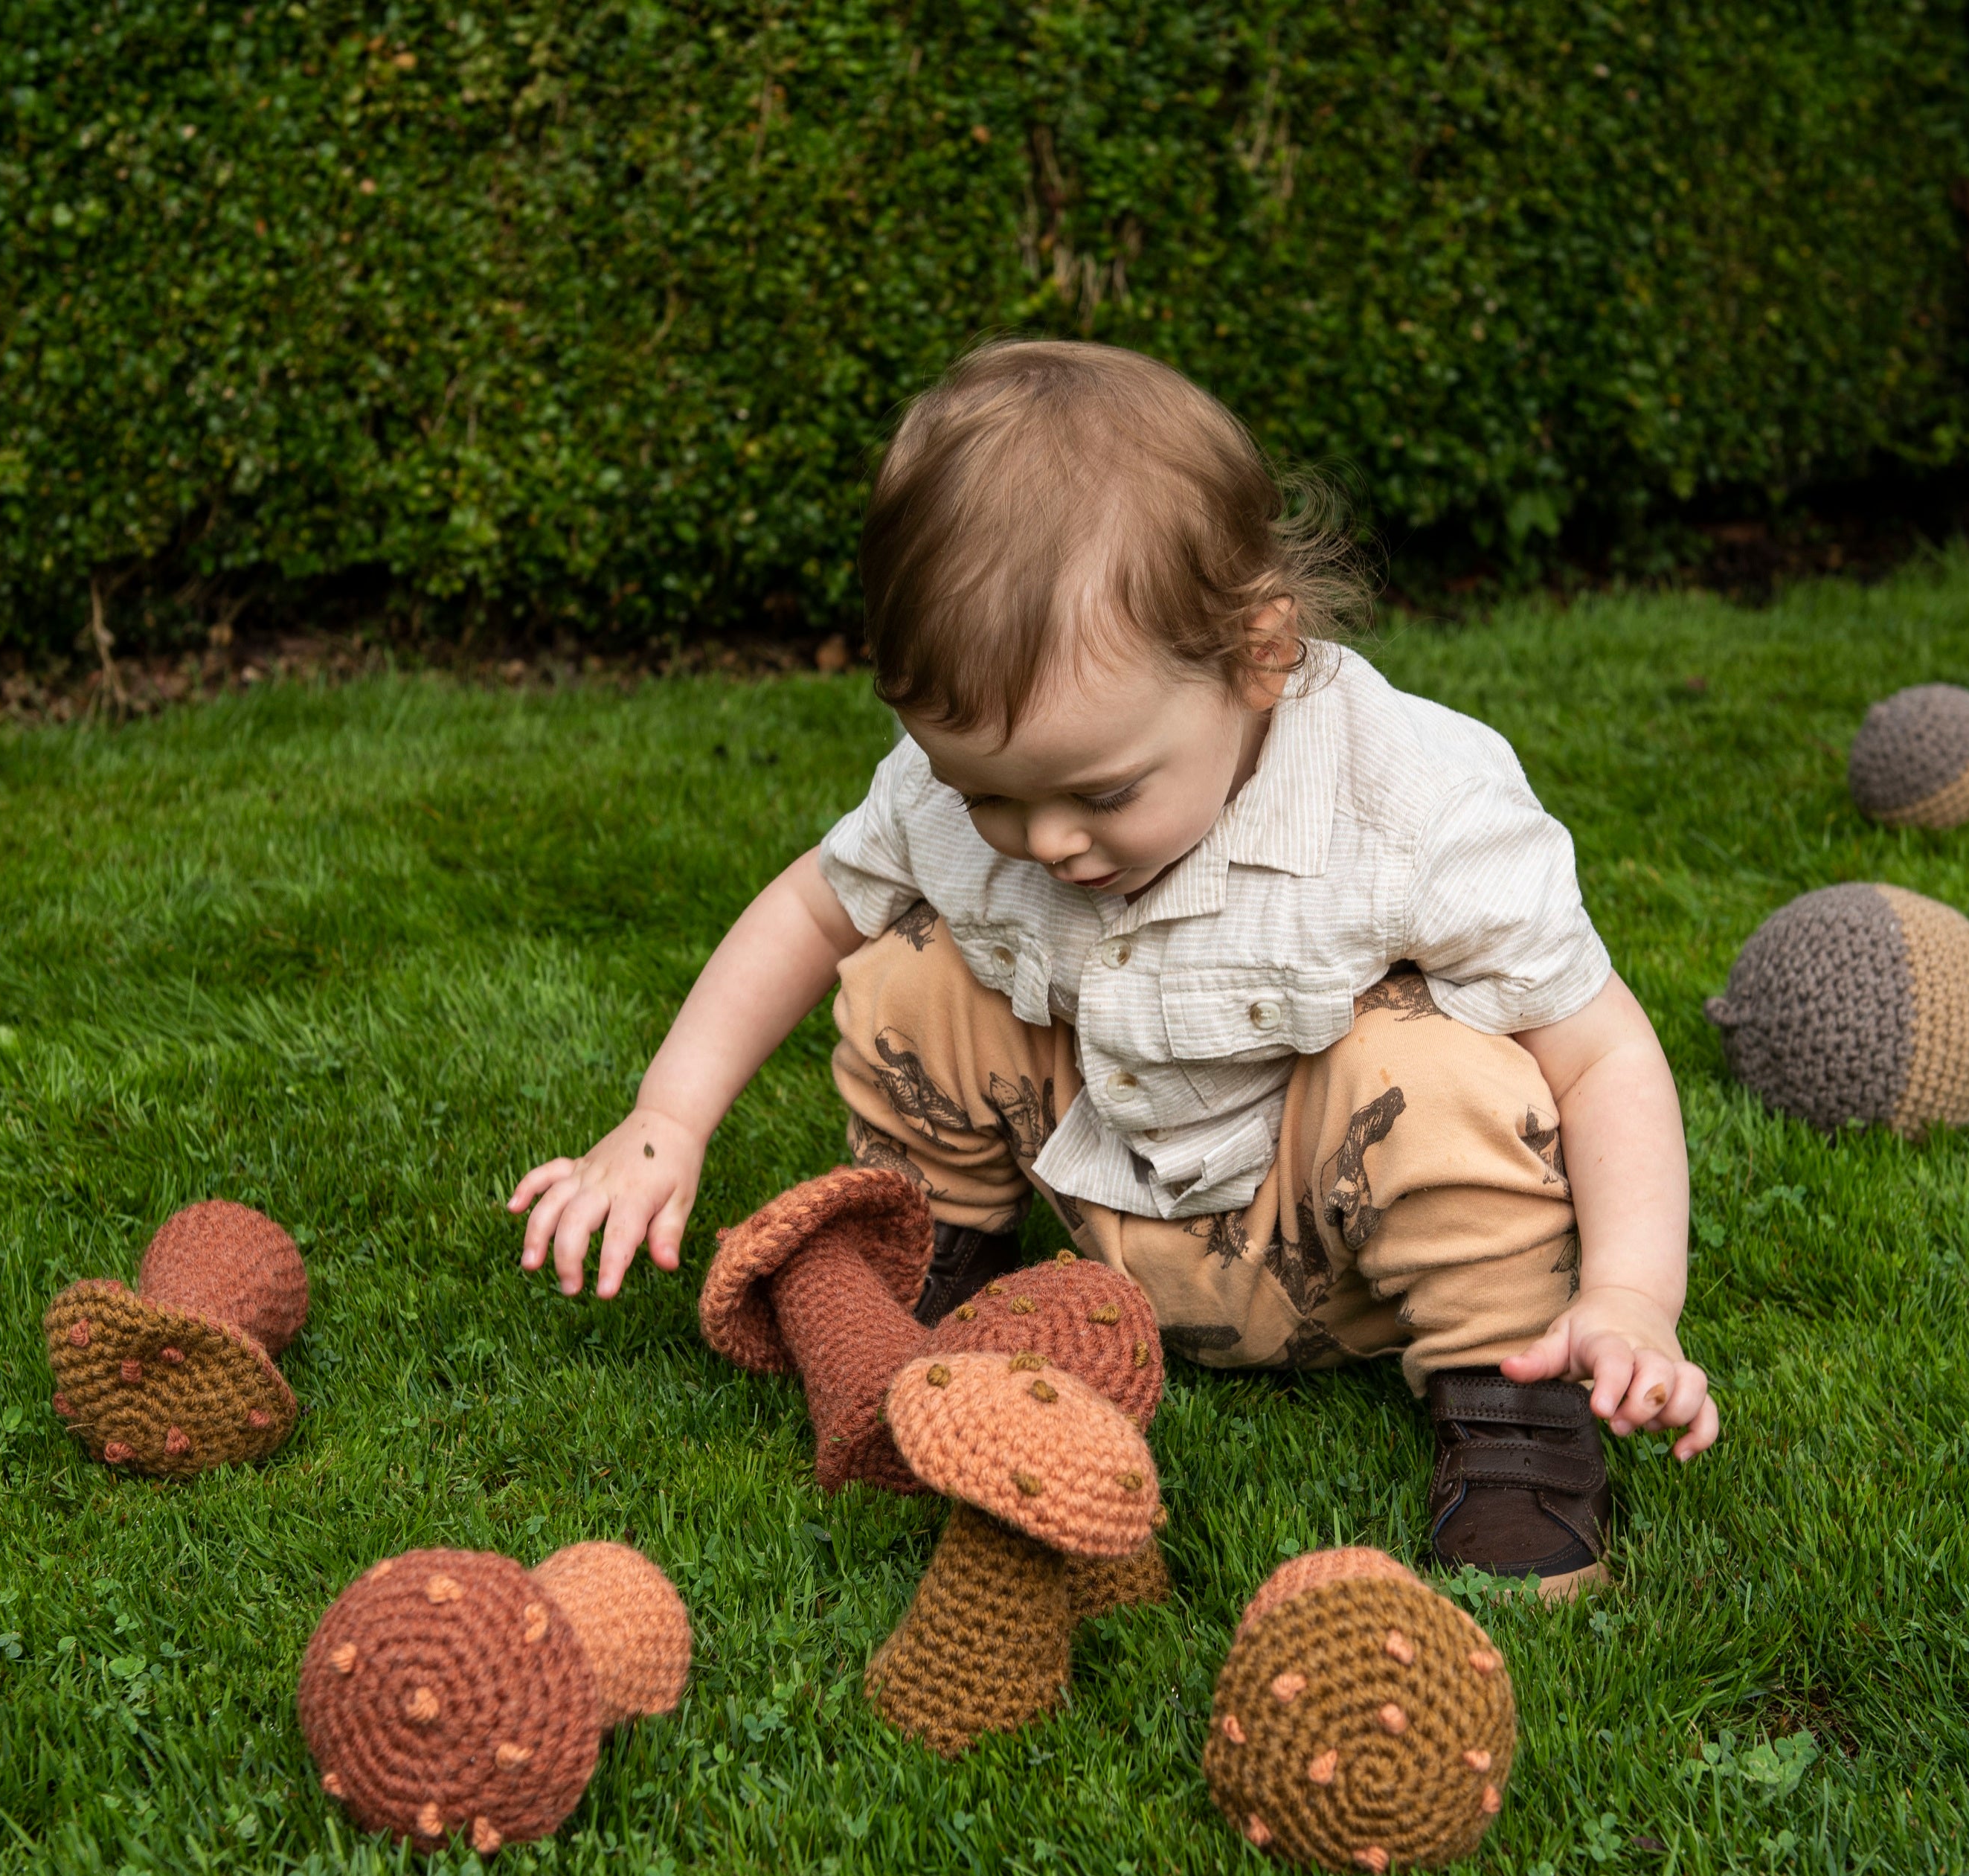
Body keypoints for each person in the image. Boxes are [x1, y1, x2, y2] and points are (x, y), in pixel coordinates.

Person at [511, 339, 1715, 1593]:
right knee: (911, 967)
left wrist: (1632, 1294)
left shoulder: (1410, 807)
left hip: (1332, 1230)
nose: (1045, 842)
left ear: (1258, 657)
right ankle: (940, 1271)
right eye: (990, 795)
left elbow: (1602, 1048)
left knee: (1444, 1072)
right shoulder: (960, 794)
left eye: (1099, 792)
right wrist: (666, 1117)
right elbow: (815, 907)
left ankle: (1512, 1411)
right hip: (1100, 1184)